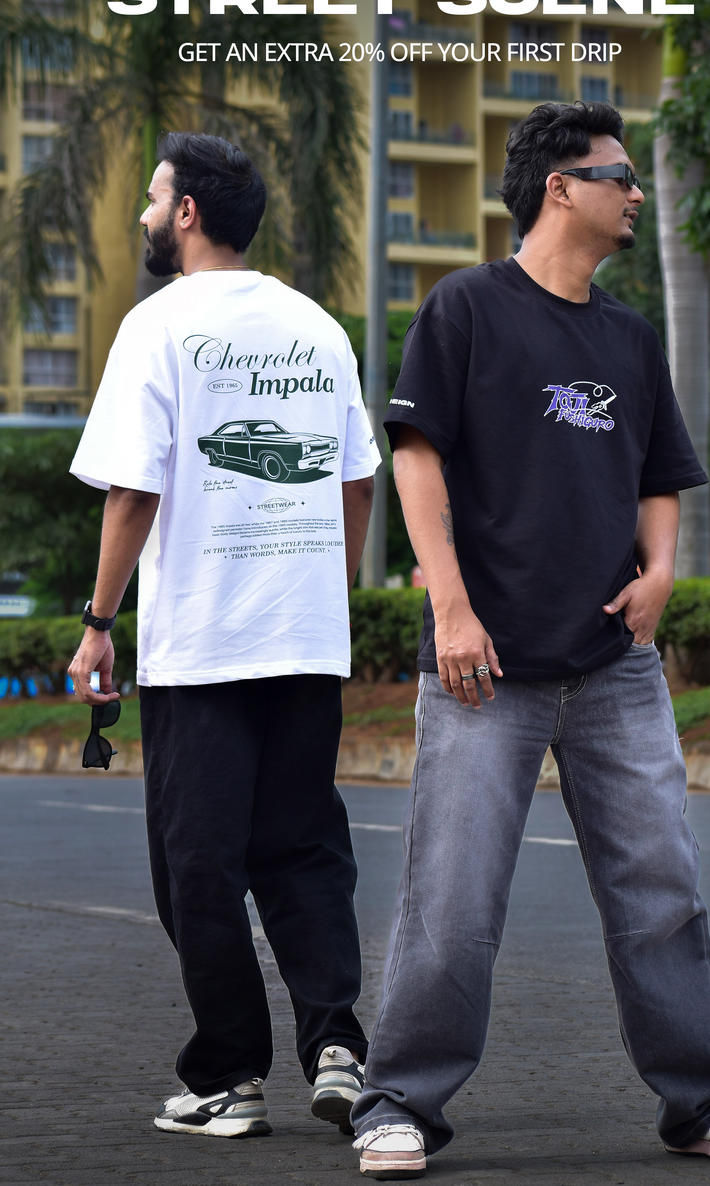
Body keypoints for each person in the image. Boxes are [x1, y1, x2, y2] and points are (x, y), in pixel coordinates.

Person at [351, 102, 710, 1177]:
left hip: (613, 669)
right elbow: (416, 457)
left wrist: (661, 572)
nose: (634, 193)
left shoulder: (628, 337)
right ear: (559, 186)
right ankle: (398, 1102)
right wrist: (450, 608)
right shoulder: (464, 308)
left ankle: (702, 1100)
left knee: (662, 891)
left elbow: (658, 473)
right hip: (483, 666)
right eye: (618, 175)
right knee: (452, 901)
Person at [68, 132, 379, 1138]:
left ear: (189, 212)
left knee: (198, 864)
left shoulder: (158, 326)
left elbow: (132, 491)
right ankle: (337, 1048)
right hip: (303, 641)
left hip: (204, 645)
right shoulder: (317, 326)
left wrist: (98, 623)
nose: (144, 213)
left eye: (153, 197)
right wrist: (324, 596)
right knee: (304, 849)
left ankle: (230, 1078)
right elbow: (357, 482)